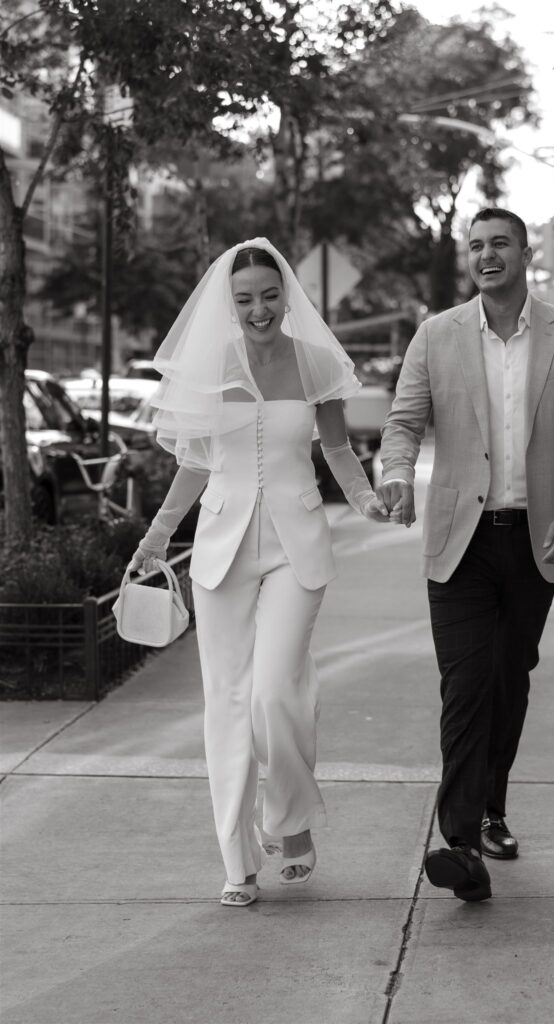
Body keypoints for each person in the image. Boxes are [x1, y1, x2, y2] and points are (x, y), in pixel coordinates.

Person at [129, 240, 387, 908]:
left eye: (270, 295)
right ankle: (237, 861)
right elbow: (194, 462)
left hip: (296, 547)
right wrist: (159, 534)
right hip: (221, 549)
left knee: (274, 691)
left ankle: (289, 824)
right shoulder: (213, 367)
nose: (259, 309)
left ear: (287, 295)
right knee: (228, 704)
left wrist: (366, 500)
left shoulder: (316, 362)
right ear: (229, 303)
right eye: (244, 299)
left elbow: (336, 448)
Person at [378, 208, 554, 902]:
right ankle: (458, 843)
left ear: (523, 252)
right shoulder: (436, 335)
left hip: (536, 537)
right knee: (465, 685)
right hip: (461, 539)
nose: (485, 256)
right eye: (475, 246)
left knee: (508, 683)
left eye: (498, 244)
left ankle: (491, 810)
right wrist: (396, 474)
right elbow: (403, 422)